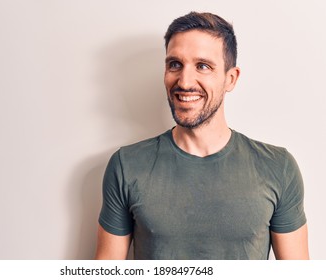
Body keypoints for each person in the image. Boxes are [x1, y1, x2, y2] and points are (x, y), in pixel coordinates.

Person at [95, 12, 309, 260]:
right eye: (175, 64)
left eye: (203, 66)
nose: (185, 82)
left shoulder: (278, 167)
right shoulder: (126, 165)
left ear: (231, 78)